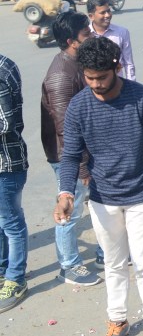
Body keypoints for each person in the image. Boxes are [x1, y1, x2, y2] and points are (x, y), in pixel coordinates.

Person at [54, 36, 143, 336]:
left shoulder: (142, 97)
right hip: (103, 197)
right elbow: (70, 156)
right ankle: (117, 319)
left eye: (101, 77)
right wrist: (65, 193)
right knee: (114, 263)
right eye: (89, 78)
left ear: (116, 68)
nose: (95, 84)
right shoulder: (79, 106)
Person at [41, 11, 103, 285]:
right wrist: (79, 168)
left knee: (98, 205)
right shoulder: (60, 76)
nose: (91, 35)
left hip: (86, 153)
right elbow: (65, 129)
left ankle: (105, 252)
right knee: (70, 209)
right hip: (69, 157)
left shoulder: (78, 63)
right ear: (71, 41)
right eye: (86, 33)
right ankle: (69, 265)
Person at [0, 55, 28, 313]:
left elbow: (5, 122)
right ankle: (3, 271)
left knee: (11, 223)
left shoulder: (1, 69)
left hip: (6, 163)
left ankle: (16, 279)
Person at [87, 0, 135, 81]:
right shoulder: (85, 35)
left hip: (118, 86)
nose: (108, 15)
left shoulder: (122, 32)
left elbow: (128, 63)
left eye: (109, 11)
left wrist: (131, 86)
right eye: (102, 13)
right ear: (91, 16)